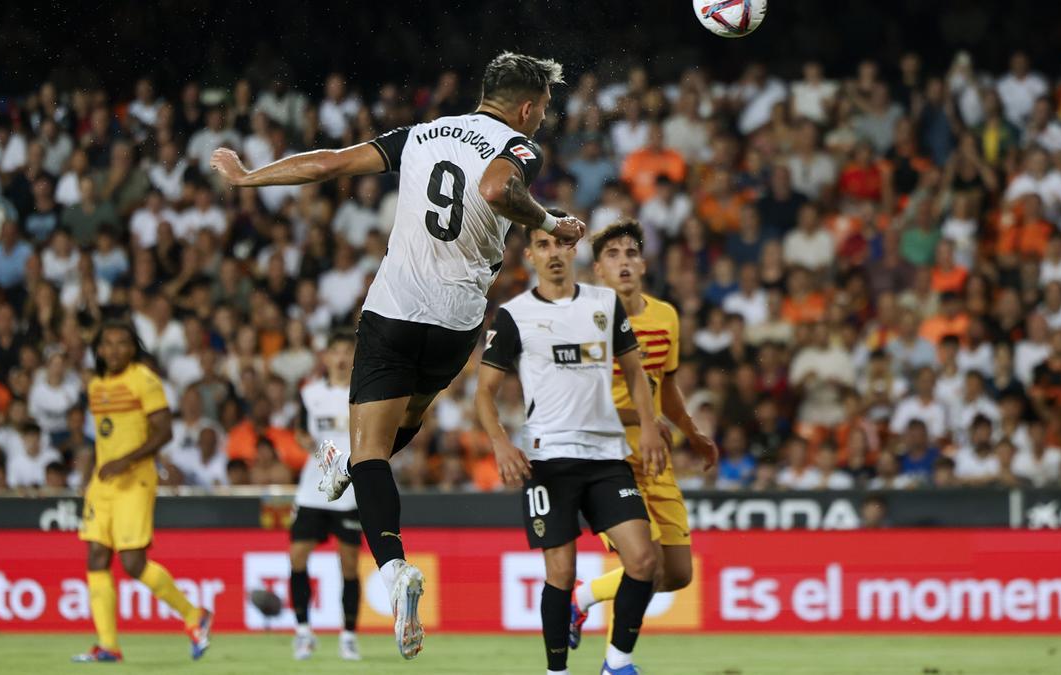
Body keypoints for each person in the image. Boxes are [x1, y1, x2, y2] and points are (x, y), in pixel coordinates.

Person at [211, 52, 585, 660]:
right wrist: (551, 219)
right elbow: (496, 187)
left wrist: (251, 177)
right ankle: (343, 462)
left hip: (394, 311)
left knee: (371, 452)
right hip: (457, 323)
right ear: (526, 106)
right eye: (543, 107)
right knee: (394, 432)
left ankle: (393, 570)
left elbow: (329, 164)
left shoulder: (420, 134)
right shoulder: (518, 145)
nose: (543, 118)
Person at [475, 222, 665, 675]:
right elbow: (484, 392)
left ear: (575, 248)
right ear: (530, 256)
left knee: (643, 560)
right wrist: (501, 444)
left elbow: (635, 372)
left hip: (606, 457)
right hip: (548, 460)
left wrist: (652, 425)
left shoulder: (604, 303)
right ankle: (556, 672)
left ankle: (617, 664)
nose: (554, 252)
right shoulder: (514, 315)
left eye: (562, 242)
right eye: (543, 244)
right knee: (559, 574)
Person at [569, 220, 718, 651]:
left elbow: (665, 384)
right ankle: (617, 662)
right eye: (612, 255)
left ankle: (580, 597)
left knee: (677, 573)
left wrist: (692, 430)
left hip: (655, 456)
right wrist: (645, 421)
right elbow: (577, 403)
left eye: (631, 253)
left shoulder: (665, 316)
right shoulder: (585, 322)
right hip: (605, 458)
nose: (624, 262)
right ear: (597, 269)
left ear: (645, 264)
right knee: (645, 562)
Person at [73, 322, 212, 662]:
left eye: (123, 343)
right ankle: (108, 645)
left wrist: (125, 461)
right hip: (102, 483)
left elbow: (164, 431)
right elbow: (108, 436)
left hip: (134, 480)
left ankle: (194, 615)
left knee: (133, 563)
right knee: (96, 557)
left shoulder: (144, 380)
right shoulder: (96, 386)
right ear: (100, 350)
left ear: (133, 349)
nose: (116, 350)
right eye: (109, 344)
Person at [288, 332, 363, 661]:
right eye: (336, 352)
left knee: (348, 563)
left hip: (349, 490)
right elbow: (301, 431)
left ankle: (348, 636)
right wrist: (304, 441)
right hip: (313, 488)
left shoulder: (363, 393)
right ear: (327, 357)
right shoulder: (309, 394)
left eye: (348, 351)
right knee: (297, 556)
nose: (342, 358)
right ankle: (304, 632)